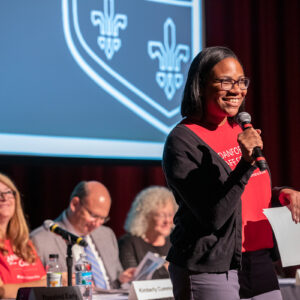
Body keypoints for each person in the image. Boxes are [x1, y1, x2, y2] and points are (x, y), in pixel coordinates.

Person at [162, 46, 300, 300]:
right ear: (201, 84)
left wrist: (281, 195)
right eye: (225, 81)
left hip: (257, 259)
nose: (236, 89)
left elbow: (247, 195)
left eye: (240, 81)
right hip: (211, 264)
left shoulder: (240, 128)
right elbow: (212, 214)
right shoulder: (183, 140)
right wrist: (245, 164)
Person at [30, 181, 135, 289]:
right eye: (94, 215)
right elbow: (34, 287)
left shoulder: (106, 234)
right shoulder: (40, 240)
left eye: (103, 218)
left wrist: (121, 279)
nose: (98, 224)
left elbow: (114, 280)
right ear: (75, 204)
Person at [0, 173, 46, 298]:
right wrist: (46, 283)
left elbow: (43, 278)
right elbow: (2, 291)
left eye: (9, 192)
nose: (4, 198)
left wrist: (62, 280)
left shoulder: (24, 243)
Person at [118, 186, 177, 279]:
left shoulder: (175, 241)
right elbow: (133, 279)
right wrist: (167, 268)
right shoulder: (129, 243)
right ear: (145, 216)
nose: (168, 220)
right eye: (161, 215)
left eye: (170, 214)